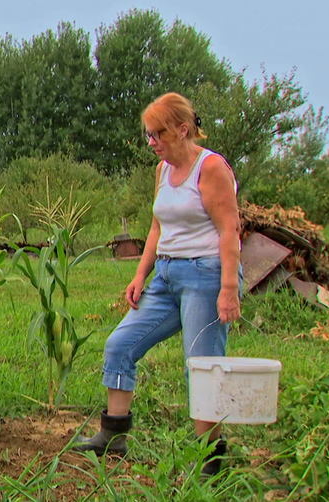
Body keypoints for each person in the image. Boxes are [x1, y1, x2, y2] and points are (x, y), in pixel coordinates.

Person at [74, 92, 242, 478]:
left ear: (183, 130)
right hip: (166, 275)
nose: (151, 142)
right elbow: (156, 226)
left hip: (205, 275)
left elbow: (229, 230)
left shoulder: (211, 168)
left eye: (157, 134)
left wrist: (229, 288)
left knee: (199, 367)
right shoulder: (163, 170)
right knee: (120, 344)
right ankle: (113, 435)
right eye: (148, 135)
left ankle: (210, 461)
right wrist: (140, 274)